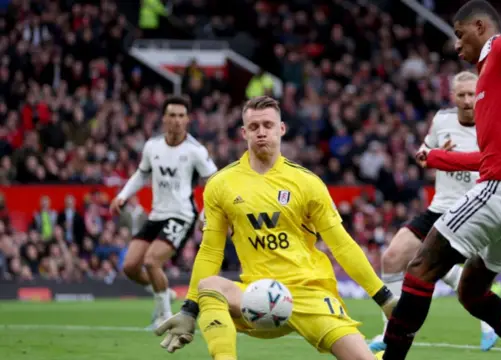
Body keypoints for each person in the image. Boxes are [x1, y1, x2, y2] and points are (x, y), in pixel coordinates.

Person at [376, 1, 501, 360]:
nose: (456, 45)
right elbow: (487, 157)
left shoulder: (500, 47)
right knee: (472, 292)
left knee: (421, 268)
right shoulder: (494, 80)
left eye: (459, 34)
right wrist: (436, 157)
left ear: (480, 27)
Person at [153, 96, 397, 360]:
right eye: (254, 127)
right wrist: (190, 309)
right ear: (244, 133)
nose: (261, 132)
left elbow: (342, 244)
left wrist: (384, 298)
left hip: (309, 293)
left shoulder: (307, 183)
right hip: (256, 297)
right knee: (210, 285)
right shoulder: (221, 184)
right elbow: (211, 251)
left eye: (268, 125)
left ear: (281, 129)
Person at [109, 96, 218, 329]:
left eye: (181, 116)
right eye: (172, 115)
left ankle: (166, 316)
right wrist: (122, 195)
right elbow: (141, 174)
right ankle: (164, 293)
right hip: (157, 214)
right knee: (130, 267)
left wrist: (206, 212)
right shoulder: (152, 146)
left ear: (188, 119)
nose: (177, 121)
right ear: (164, 118)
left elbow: (216, 181)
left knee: (151, 261)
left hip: (182, 215)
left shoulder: (195, 151)